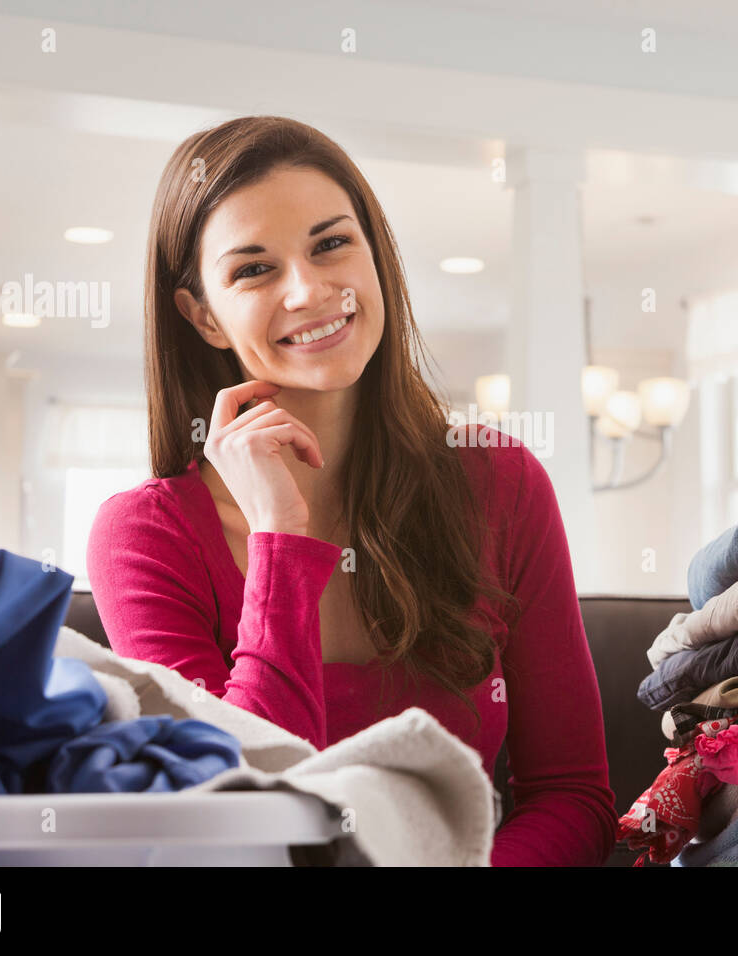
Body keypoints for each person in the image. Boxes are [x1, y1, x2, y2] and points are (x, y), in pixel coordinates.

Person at [85, 115, 617, 866]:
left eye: (331, 243)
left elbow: (573, 795)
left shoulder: (499, 482)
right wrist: (281, 538)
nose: (308, 289)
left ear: (375, 255)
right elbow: (232, 816)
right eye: (253, 269)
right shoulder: (145, 535)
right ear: (202, 315)